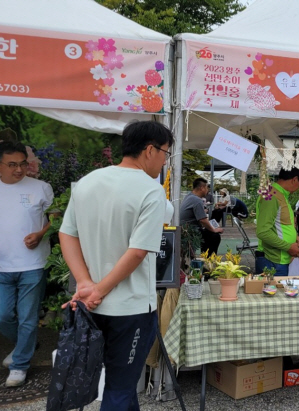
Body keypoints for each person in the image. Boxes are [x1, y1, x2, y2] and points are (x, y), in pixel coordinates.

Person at [59, 120, 173, 409]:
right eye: (165, 153)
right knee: (119, 388)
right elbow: (137, 252)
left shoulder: (88, 181)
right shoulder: (150, 190)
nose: (164, 160)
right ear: (150, 150)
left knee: (118, 385)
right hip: (130, 308)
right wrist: (99, 290)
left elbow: (66, 233)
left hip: (89, 307)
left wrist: (85, 284)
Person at [0, 141, 53, 387]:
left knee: (28, 318)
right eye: (12, 165)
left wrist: (41, 234)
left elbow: (56, 220)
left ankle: (20, 365)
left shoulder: (41, 187)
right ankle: (26, 343)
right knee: (1, 316)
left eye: (23, 164)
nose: (19, 170)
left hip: (33, 264)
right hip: (0, 265)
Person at [255, 167, 299, 275]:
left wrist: (295, 236)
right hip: (272, 260)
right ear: (295, 179)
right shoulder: (272, 196)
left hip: (279, 259)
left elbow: (281, 223)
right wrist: (288, 246)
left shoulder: (279, 194)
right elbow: (263, 231)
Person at [180, 178, 223, 255]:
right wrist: (214, 229)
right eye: (207, 188)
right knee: (214, 236)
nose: (207, 190)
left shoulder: (189, 196)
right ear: (202, 188)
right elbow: (202, 220)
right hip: (190, 230)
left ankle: (205, 256)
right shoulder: (197, 200)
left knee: (208, 234)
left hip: (184, 228)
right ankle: (208, 260)